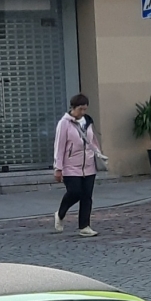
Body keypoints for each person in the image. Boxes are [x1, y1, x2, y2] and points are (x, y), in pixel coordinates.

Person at [52, 91, 103, 236]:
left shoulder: (88, 122)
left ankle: (84, 226)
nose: (83, 112)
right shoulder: (64, 123)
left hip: (89, 166)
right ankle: (61, 213)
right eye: (80, 109)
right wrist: (58, 167)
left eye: (85, 109)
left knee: (87, 196)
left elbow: (92, 141)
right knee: (75, 192)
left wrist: (99, 154)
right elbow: (59, 146)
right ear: (73, 107)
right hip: (70, 166)